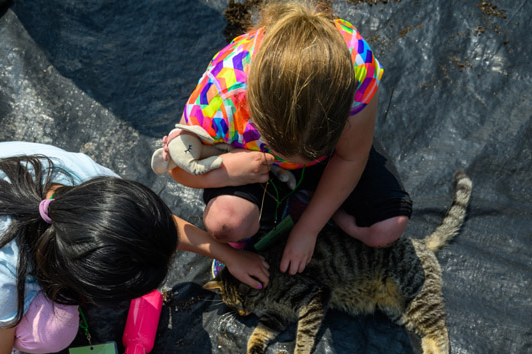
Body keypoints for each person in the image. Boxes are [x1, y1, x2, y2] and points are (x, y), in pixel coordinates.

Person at [0, 141, 269, 354]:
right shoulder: (2, 273)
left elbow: (151, 229)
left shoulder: (90, 183)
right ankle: (12, 343)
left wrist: (225, 253)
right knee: (53, 332)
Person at [166, 1, 412, 277]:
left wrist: (308, 229)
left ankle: (309, 204)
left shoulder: (354, 64)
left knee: (388, 228)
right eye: (285, 151)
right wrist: (229, 172)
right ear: (253, 113)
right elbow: (178, 169)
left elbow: (351, 155)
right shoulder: (221, 96)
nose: (296, 162)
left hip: (330, 160)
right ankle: (303, 199)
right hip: (253, 166)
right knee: (227, 223)